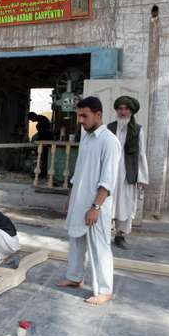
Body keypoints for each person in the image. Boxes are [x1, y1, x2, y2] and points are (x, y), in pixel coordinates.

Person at [57, 97, 121, 306]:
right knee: (76, 241)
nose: (80, 120)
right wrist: (70, 197)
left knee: (99, 246)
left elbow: (108, 179)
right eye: (79, 115)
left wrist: (96, 207)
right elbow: (79, 172)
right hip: (79, 199)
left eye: (85, 116)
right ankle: (75, 278)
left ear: (98, 115)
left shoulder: (109, 141)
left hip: (97, 205)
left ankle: (104, 290)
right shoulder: (86, 137)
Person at [107, 96, 149, 248]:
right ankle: (104, 234)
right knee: (107, 203)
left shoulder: (138, 130)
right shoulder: (109, 128)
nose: (123, 112)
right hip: (110, 173)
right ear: (116, 110)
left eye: (126, 109)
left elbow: (141, 154)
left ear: (131, 111)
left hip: (127, 173)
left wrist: (143, 177)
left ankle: (120, 236)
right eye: (120, 109)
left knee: (124, 205)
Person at [27, 112, 53, 178]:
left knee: (44, 159)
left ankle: (43, 173)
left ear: (33, 117)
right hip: (45, 142)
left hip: (46, 143)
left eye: (31, 119)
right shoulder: (41, 119)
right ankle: (42, 173)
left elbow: (43, 133)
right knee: (43, 159)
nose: (32, 121)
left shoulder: (42, 121)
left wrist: (37, 141)